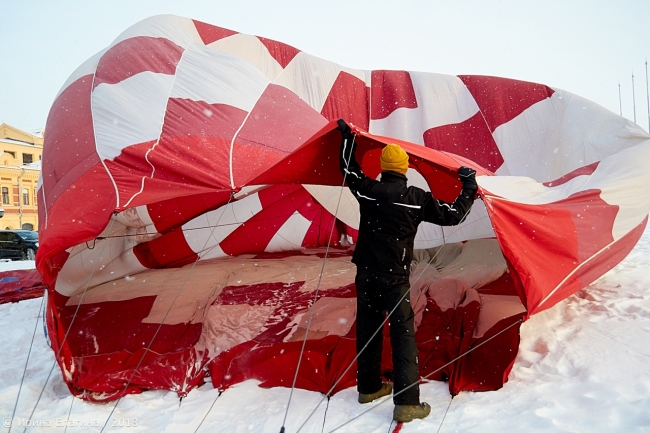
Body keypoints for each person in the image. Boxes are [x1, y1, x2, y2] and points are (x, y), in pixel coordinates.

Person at [336, 119, 477, 423]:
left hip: (366, 273)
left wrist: (348, 139)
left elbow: (349, 171)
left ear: (384, 167)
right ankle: (407, 402)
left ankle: (369, 388)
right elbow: (453, 216)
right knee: (403, 335)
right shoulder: (416, 198)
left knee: (368, 330)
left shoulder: (369, 190)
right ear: (405, 168)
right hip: (394, 277)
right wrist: (469, 186)